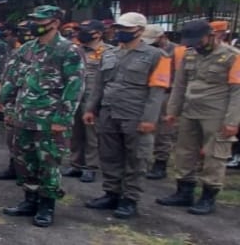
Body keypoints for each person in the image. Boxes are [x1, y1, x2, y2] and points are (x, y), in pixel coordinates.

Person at [0, 5, 83, 228]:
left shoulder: (68, 50)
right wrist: (3, 102)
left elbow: (74, 87)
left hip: (49, 120)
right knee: (25, 161)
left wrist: (62, 119)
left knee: (49, 163)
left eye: (39, 21)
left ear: (54, 22)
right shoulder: (26, 49)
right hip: (23, 116)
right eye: (33, 20)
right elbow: (12, 78)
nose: (34, 25)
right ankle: (30, 199)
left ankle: (46, 206)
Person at [83, 12, 170, 219]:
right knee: (110, 155)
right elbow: (99, 85)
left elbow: (157, 91)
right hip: (109, 112)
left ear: (140, 30)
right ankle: (111, 193)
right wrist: (90, 108)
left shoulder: (157, 56)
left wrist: (149, 119)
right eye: (119, 28)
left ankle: (130, 199)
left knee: (137, 158)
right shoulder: (109, 53)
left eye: (127, 29)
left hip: (136, 114)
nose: (121, 32)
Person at [156, 20, 240, 215]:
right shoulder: (189, 54)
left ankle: (208, 196)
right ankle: (184, 192)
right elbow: (179, 85)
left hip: (217, 113)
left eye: (198, 40)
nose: (196, 44)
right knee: (184, 152)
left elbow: (237, 91)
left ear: (211, 35)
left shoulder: (231, 57)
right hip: (189, 110)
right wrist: (172, 111)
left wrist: (232, 121)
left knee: (214, 155)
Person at [63, 19, 109, 184]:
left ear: (98, 33)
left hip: (93, 99)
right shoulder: (75, 50)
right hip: (75, 97)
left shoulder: (108, 52)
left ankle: (91, 167)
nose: (79, 33)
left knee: (92, 135)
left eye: (85, 30)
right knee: (74, 133)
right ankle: (76, 164)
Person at [145, 24, 186, 180]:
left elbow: (181, 77)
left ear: (162, 37)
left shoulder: (178, 51)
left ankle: (160, 163)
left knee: (164, 131)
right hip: (150, 91)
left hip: (167, 94)